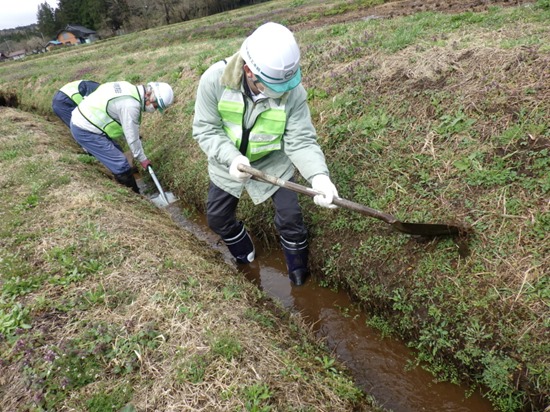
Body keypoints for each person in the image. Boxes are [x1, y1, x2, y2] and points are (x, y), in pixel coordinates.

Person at [192, 22, 339, 286]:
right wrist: (231, 158)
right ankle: (243, 252)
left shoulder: (293, 91)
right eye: (274, 85)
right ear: (249, 71)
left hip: (273, 163)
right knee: (217, 217)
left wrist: (319, 177)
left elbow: (301, 139)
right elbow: (206, 129)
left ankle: (297, 269)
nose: (282, 91)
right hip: (228, 163)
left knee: (291, 218)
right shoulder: (214, 80)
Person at [70, 81, 174, 193]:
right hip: (85, 129)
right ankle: (136, 198)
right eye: (156, 106)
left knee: (118, 153)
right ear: (149, 95)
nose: (154, 110)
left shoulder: (128, 87)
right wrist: (143, 159)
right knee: (121, 164)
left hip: (87, 120)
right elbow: (132, 138)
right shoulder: (131, 106)